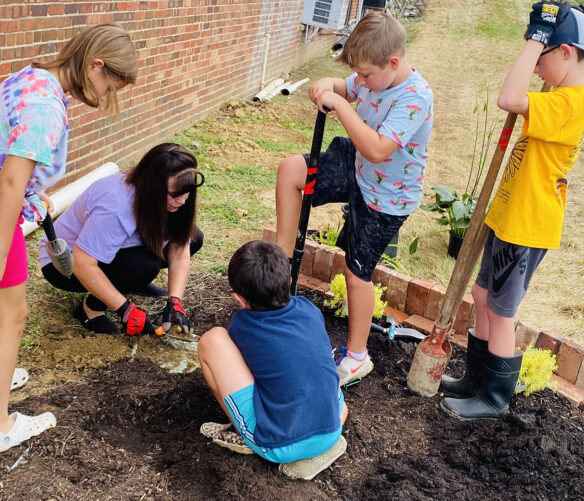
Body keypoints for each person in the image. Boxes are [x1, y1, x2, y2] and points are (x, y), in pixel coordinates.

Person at [441, 1, 584, 420]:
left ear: (564, 52)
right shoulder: (560, 97)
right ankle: (477, 378)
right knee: (482, 295)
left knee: (501, 311)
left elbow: (508, 97)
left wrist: (536, 38)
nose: (534, 68)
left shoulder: (571, 104)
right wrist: (535, 43)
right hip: (510, 217)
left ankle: (495, 397)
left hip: (527, 224)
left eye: (539, 58)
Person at [0, 23, 138, 453]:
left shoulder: (33, 77)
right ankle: (2, 426)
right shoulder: (47, 109)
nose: (107, 96)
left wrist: (30, 193)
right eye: (109, 85)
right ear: (94, 64)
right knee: (12, 314)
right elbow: (8, 184)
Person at [276, 11, 433, 386]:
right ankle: (278, 270)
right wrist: (326, 84)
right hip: (358, 167)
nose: (359, 82)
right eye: (357, 74)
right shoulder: (369, 75)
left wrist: (342, 105)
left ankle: (358, 356)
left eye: (365, 76)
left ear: (393, 63)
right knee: (290, 170)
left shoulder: (415, 97)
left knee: (356, 273)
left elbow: (379, 149)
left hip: (386, 196)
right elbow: (340, 84)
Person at [198, 240, 347, 477]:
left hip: (278, 446)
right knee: (313, 375)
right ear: (288, 280)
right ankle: (319, 439)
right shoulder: (310, 309)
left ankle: (243, 433)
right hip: (332, 427)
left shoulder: (242, 325)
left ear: (238, 298)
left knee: (212, 340)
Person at [39, 143, 204, 337]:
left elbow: (179, 246)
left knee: (193, 237)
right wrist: (126, 310)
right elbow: (82, 264)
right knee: (144, 265)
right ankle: (90, 308)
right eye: (175, 194)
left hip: (110, 253)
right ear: (153, 186)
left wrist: (175, 302)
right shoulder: (115, 206)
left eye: (188, 192)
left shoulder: (174, 196)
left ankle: (129, 281)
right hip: (63, 265)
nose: (183, 200)